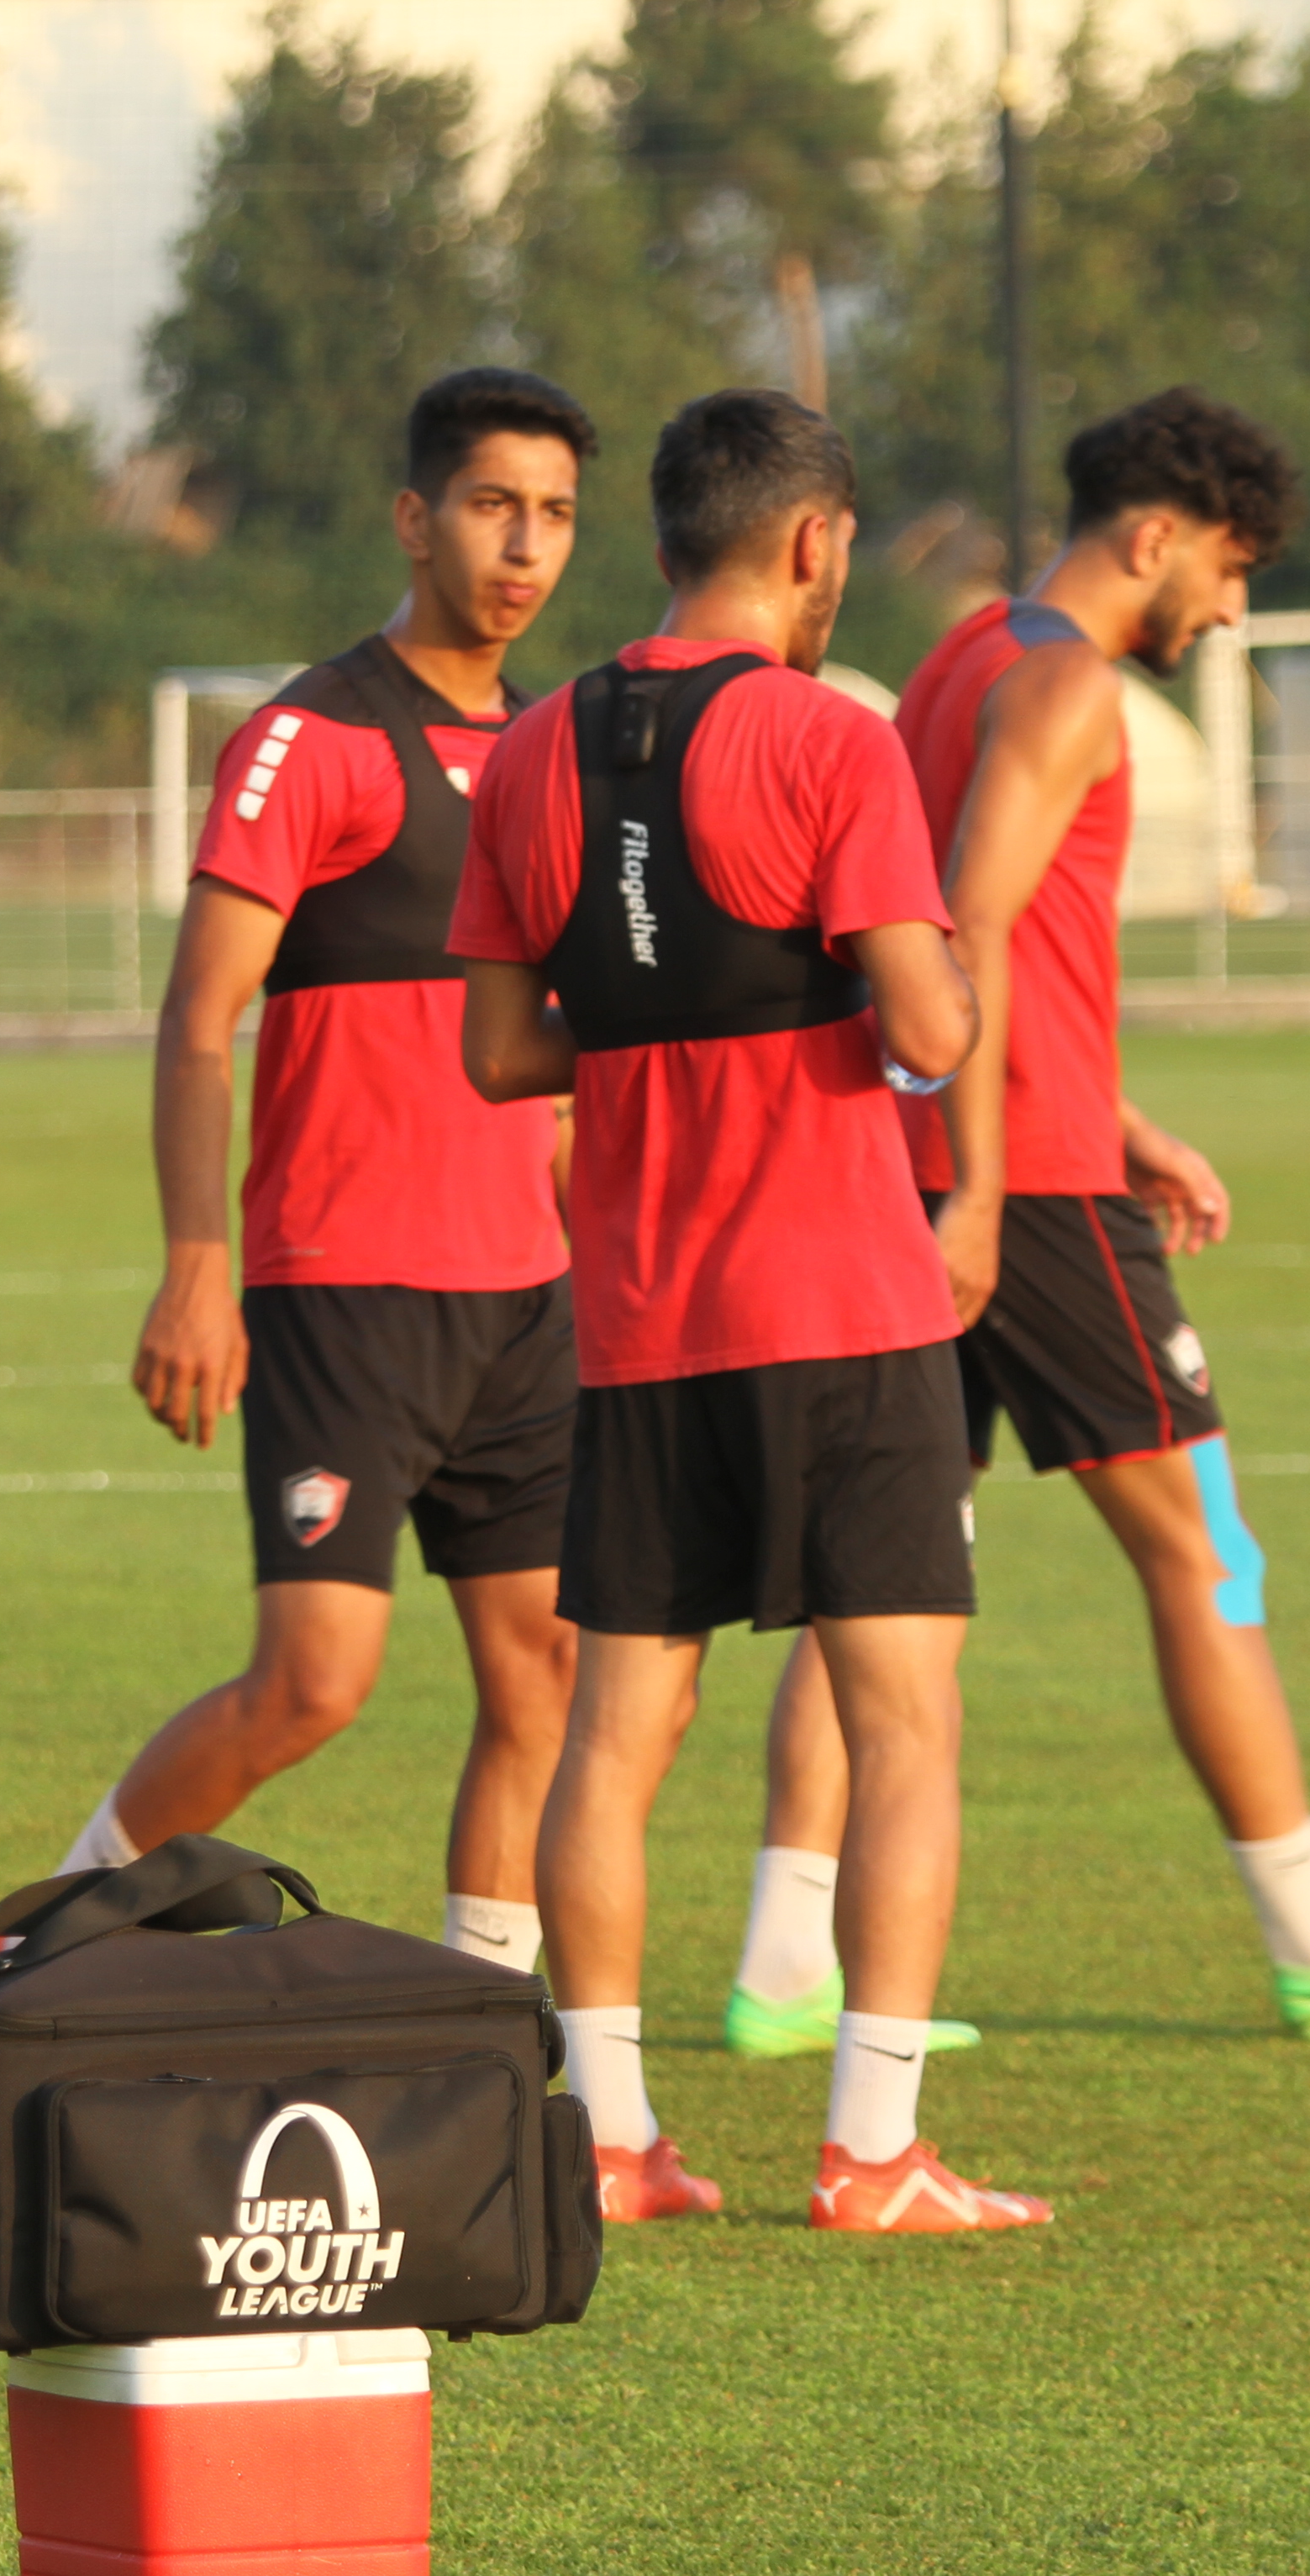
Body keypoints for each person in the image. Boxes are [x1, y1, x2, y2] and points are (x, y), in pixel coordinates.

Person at [723, 388, 1310, 2060]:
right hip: (1018, 1189)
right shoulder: (1069, 678)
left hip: (962, 1156)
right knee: (1203, 1545)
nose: (1231, 609)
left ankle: (784, 1960)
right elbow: (973, 924)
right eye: (1230, 571)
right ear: (1153, 536)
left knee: (883, 1570)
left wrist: (1123, 1119)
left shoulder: (959, 659)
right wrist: (999, 1183)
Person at [455, 389, 1041, 2236]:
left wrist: (655, 1019)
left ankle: (613, 2142)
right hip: (841, 1302)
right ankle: (872, 2154)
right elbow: (934, 1033)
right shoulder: (826, 740)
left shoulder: (535, 748)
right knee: (905, 1723)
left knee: (619, 1731)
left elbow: (495, 1052)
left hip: (637, 1314)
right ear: (814, 546)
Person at [58, 368, 594, 1973]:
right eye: (495, 506)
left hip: (527, 1296)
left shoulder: (555, 750)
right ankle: (51, 1937)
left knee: (545, 1673)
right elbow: (199, 1016)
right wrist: (196, 1264)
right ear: (416, 517)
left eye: (557, 515)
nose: (525, 548)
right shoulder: (314, 737)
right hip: (348, 1281)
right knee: (315, 1680)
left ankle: (491, 2030)